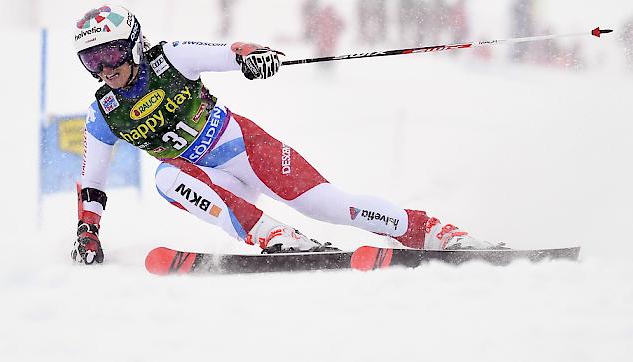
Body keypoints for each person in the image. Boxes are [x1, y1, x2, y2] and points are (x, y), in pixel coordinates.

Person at [72, 4, 496, 265]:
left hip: (246, 149)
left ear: (134, 44)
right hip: (211, 183)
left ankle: (432, 232)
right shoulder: (103, 115)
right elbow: (92, 184)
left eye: (110, 53)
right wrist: (87, 232)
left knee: (332, 206)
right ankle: (275, 236)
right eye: (92, 61)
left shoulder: (170, 58)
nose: (105, 69)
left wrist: (256, 58)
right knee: (167, 177)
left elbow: (230, 53)